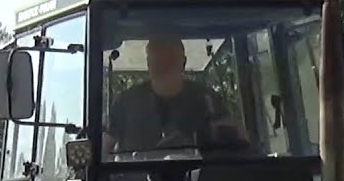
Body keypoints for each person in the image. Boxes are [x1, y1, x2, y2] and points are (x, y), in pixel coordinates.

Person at [105, 33, 246, 154]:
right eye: (157, 60)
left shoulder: (207, 101)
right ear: (149, 64)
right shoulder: (125, 104)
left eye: (169, 60)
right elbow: (102, 150)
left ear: (183, 62)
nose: (163, 66)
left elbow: (240, 143)